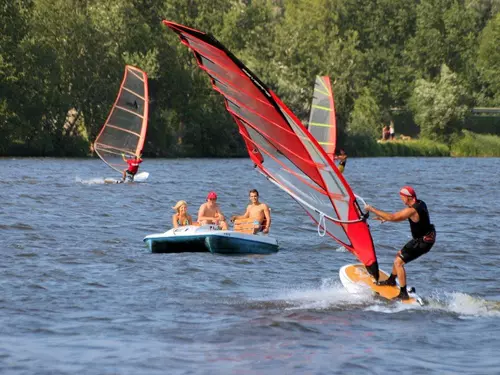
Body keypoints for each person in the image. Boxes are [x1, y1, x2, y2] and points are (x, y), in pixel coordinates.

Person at [364, 186, 436, 300]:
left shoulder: (412, 210)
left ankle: (403, 293)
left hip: (423, 242)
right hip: (427, 237)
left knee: (398, 263)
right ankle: (391, 280)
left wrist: (372, 209)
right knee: (399, 254)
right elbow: (397, 217)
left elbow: (394, 217)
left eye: (402, 198)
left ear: (408, 197)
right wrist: (386, 218)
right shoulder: (421, 203)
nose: (401, 200)